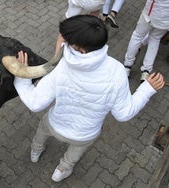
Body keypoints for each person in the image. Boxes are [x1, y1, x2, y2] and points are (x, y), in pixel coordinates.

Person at [13, 15, 165, 182]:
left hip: (56, 125)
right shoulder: (117, 71)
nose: (63, 39)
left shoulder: (62, 67)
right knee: (74, 153)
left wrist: (21, 77)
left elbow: (35, 103)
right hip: (85, 135)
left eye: (68, 40)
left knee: (42, 129)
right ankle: (61, 170)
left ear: (82, 50)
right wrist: (147, 89)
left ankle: (35, 151)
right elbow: (124, 114)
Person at [123, 0, 169, 81]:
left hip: (151, 14)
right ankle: (146, 71)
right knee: (155, 39)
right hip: (166, 21)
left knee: (137, 36)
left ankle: (127, 66)